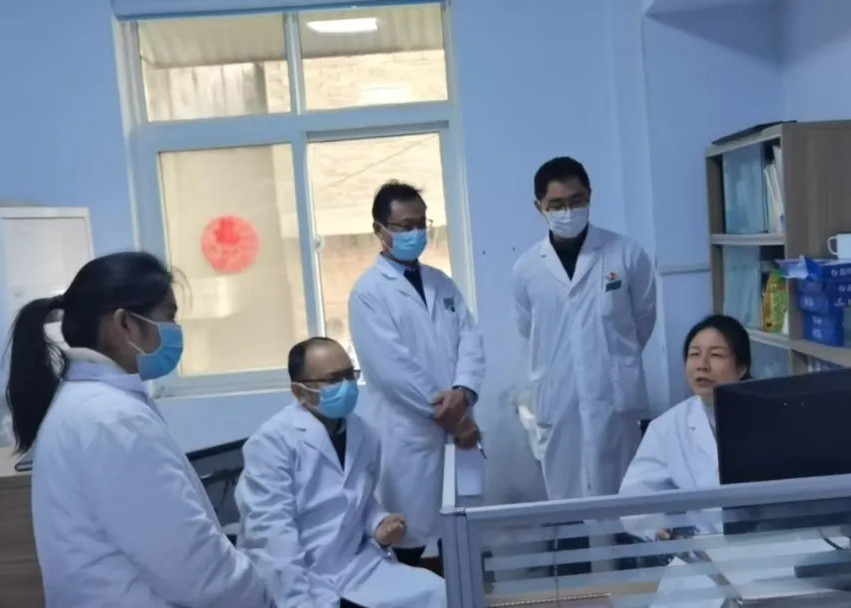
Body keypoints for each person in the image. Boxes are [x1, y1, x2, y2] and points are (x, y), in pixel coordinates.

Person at [5, 251, 271, 607]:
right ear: (125, 324)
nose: (175, 330)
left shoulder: (91, 405)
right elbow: (191, 566)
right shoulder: (111, 419)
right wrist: (261, 594)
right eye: (169, 316)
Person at [512, 156, 657, 572]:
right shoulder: (526, 269)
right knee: (570, 504)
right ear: (539, 207)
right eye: (556, 204)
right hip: (559, 401)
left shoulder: (626, 254)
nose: (568, 211)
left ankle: (625, 583)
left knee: (623, 499)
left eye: (576, 200)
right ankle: (584, 583)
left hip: (614, 398)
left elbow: (642, 321)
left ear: (590, 196)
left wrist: (611, 363)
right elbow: (528, 330)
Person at [236, 337, 447, 608]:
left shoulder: (364, 434)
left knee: (441, 593)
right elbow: (272, 537)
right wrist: (298, 602)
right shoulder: (271, 443)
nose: (346, 386)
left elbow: (360, 500)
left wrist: (378, 524)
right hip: (299, 574)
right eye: (334, 379)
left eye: (350, 375)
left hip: (357, 566)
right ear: (300, 392)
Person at [349, 181, 485, 568]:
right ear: (379, 230)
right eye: (404, 226)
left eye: (421, 223)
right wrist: (455, 418)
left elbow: (470, 340)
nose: (416, 233)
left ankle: (459, 594)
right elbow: (393, 370)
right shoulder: (368, 293)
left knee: (460, 530)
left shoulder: (442, 282)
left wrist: (464, 390)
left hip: (459, 424)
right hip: (408, 433)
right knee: (407, 535)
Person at [618, 314, 752, 607]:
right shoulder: (667, 427)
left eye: (716, 355)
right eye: (694, 354)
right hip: (701, 563)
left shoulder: (768, 418)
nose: (702, 365)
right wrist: (658, 527)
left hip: (768, 553)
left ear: (741, 367)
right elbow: (632, 498)